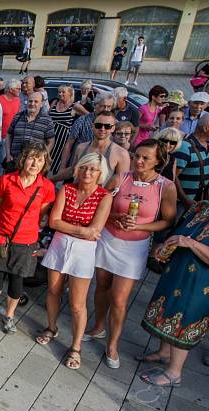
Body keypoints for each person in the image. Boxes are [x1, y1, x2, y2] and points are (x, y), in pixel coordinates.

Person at [86, 138, 178, 368]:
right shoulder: (121, 177)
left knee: (119, 298)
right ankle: (98, 326)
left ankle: (113, 344)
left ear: (158, 161)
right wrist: (116, 218)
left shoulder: (165, 186)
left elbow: (168, 221)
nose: (139, 160)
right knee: (102, 285)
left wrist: (139, 226)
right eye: (137, 155)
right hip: (109, 239)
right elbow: (99, 206)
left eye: (146, 157)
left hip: (135, 246)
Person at [36, 153, 113, 369]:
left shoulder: (105, 196)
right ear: (78, 169)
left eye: (93, 169)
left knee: (78, 303)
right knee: (53, 291)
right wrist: (81, 230)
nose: (87, 173)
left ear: (100, 173)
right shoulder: (67, 189)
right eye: (84, 168)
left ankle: (76, 346)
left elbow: (96, 230)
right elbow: (54, 221)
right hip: (60, 245)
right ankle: (51, 327)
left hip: (83, 252)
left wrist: (74, 228)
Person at [0, 142, 56, 333]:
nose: (35, 163)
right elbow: (0, 204)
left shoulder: (46, 187)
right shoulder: (7, 180)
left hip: (26, 240)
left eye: (40, 160)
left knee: (17, 280)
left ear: (44, 164)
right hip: (2, 236)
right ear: (23, 159)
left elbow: (41, 214)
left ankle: (9, 315)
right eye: (32, 158)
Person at [136, 200, 209, 387]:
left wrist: (189, 243)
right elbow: (177, 233)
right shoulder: (201, 207)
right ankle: (164, 353)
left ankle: (174, 373)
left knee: (184, 320)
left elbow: (187, 241)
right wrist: (164, 249)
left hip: (200, 283)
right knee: (168, 310)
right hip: (178, 271)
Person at [53, 111, 130, 186]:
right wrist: (50, 180)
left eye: (107, 126)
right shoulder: (81, 147)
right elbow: (72, 170)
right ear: (92, 126)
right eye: (98, 125)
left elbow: (122, 184)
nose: (102, 129)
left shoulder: (121, 154)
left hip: (101, 197)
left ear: (113, 128)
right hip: (77, 194)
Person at [5, 92, 55, 166]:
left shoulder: (47, 120)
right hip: (14, 161)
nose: (32, 104)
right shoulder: (18, 116)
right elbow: (9, 135)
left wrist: (43, 156)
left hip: (34, 164)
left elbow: (51, 141)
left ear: (41, 104)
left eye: (36, 101)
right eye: (30, 101)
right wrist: (8, 154)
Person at [173, 114, 209, 211]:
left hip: (199, 204)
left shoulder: (207, 146)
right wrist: (184, 199)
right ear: (206, 128)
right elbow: (172, 176)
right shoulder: (184, 146)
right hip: (181, 204)